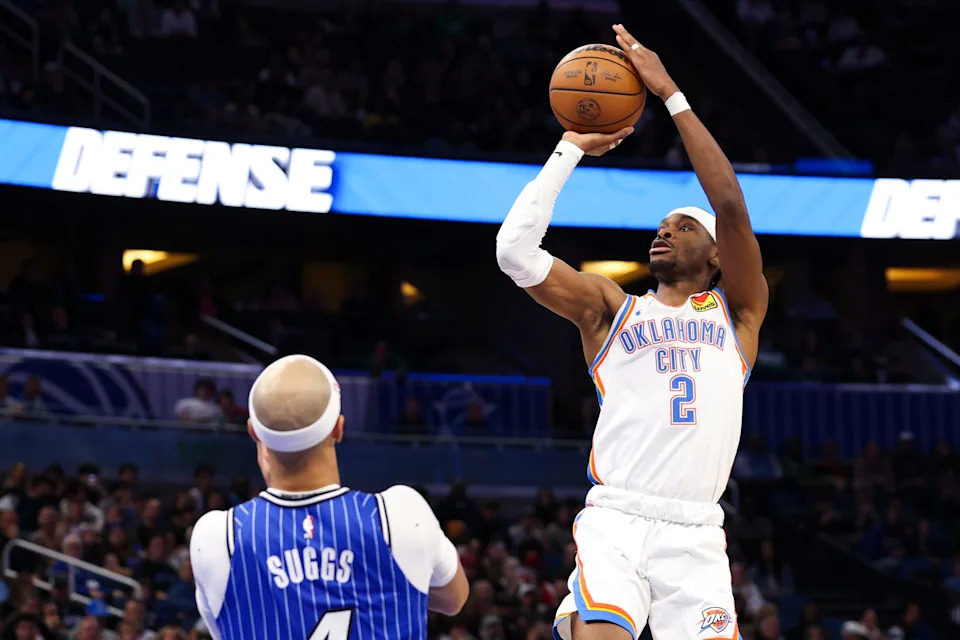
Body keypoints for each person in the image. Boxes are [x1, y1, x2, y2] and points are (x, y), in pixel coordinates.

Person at [496, 24, 768, 640]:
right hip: (617, 519)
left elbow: (728, 202)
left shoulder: (739, 315)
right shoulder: (611, 309)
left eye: (682, 226)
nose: (664, 231)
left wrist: (671, 94)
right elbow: (513, 252)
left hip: (697, 534)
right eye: (661, 225)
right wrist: (569, 149)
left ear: (718, 254)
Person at [189, 354, 469, 639]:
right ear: (338, 427)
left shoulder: (215, 537)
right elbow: (455, 598)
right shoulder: (402, 515)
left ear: (253, 433)